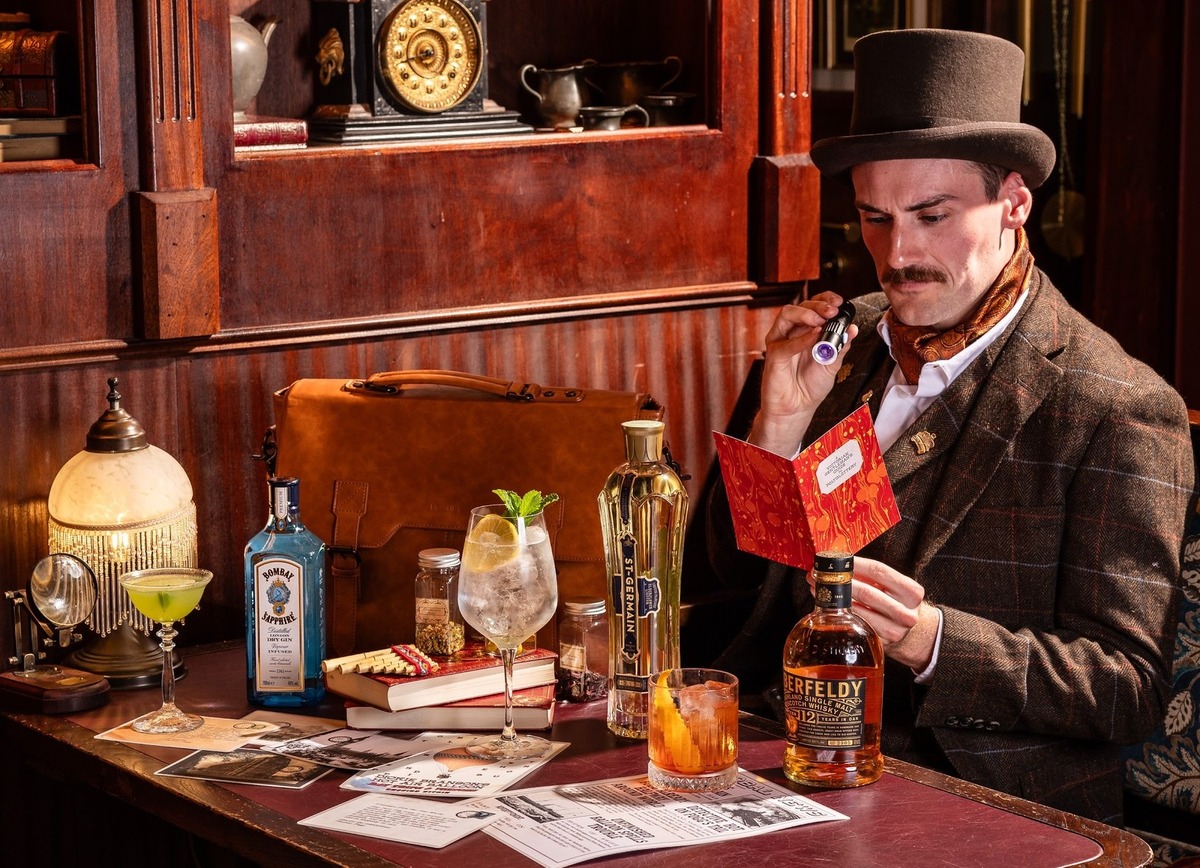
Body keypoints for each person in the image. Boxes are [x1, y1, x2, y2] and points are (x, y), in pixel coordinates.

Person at [705, 28, 1195, 824]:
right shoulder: (841, 344)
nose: (898, 255)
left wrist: (932, 639)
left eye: (932, 215)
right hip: (777, 754)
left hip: (977, 800)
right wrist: (779, 423)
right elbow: (729, 583)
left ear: (1014, 203)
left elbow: (1127, 690)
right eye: (873, 218)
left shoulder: (1116, 406)